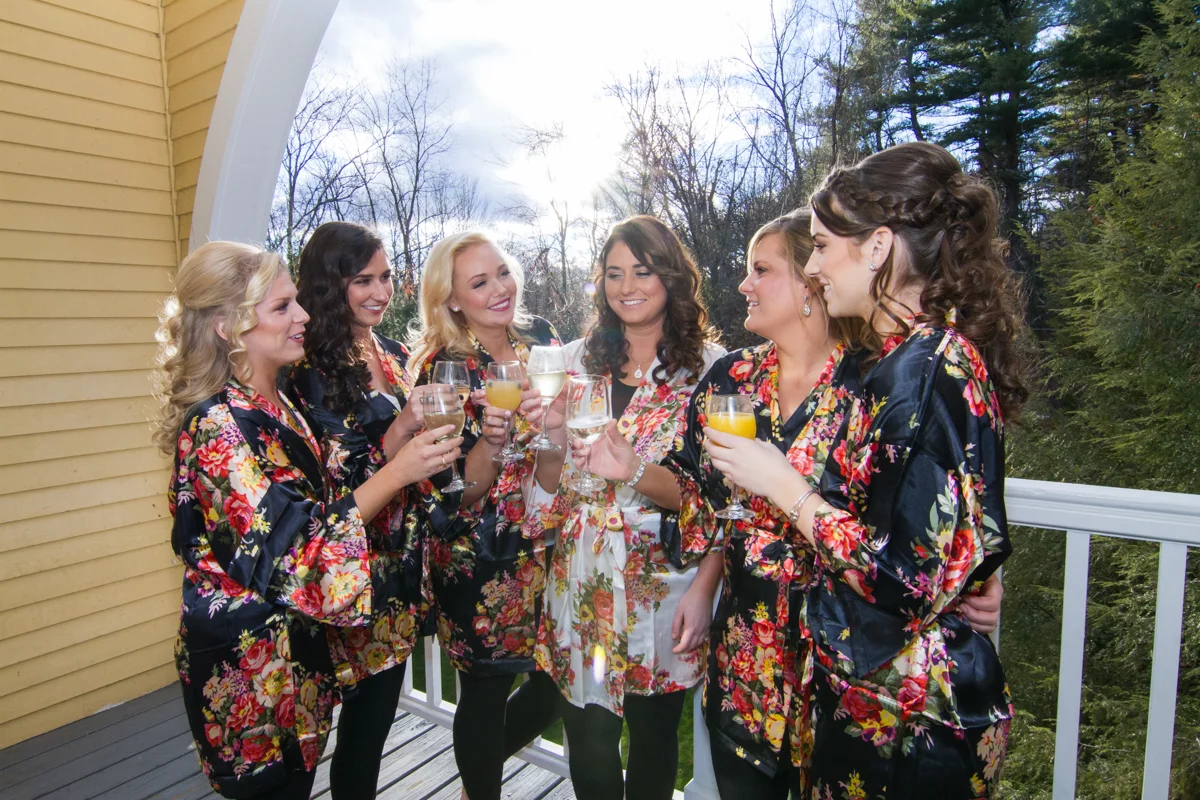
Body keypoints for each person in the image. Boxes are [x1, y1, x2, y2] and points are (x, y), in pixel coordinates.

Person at [705, 142, 1024, 797]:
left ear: (878, 247)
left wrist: (784, 486)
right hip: (866, 700)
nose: (813, 268)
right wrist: (972, 574)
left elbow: (898, 580)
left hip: (909, 720)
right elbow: (947, 519)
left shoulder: (927, 369)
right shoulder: (902, 359)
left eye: (822, 246)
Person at [154, 242, 460, 799]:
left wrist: (397, 442)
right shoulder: (220, 427)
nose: (302, 316)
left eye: (296, 300)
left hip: (297, 659)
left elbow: (331, 501)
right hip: (251, 672)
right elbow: (300, 554)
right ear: (227, 326)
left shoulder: (275, 402)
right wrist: (399, 472)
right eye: (282, 307)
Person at [526, 215, 725, 800]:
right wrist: (552, 436)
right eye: (614, 273)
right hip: (582, 579)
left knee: (654, 746)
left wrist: (635, 470)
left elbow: (721, 498)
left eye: (643, 270)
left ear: (672, 277)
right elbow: (549, 487)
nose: (627, 286)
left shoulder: (711, 370)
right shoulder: (574, 363)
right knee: (589, 745)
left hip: (663, 588)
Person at [289, 221, 451, 799]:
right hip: (346, 571)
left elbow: (410, 455)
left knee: (370, 732)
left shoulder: (395, 353)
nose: (381, 292)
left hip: (399, 572)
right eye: (364, 280)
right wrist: (403, 431)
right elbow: (332, 480)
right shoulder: (305, 369)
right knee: (318, 739)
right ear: (330, 285)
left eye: (385, 277)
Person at [406, 231, 562, 800]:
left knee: (555, 685)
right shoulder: (444, 369)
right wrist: (493, 442)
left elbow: (562, 433)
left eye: (502, 272)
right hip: (480, 557)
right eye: (479, 282)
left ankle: (480, 766)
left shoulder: (541, 339)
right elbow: (458, 492)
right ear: (451, 299)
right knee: (486, 692)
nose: (500, 289)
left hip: (550, 540)